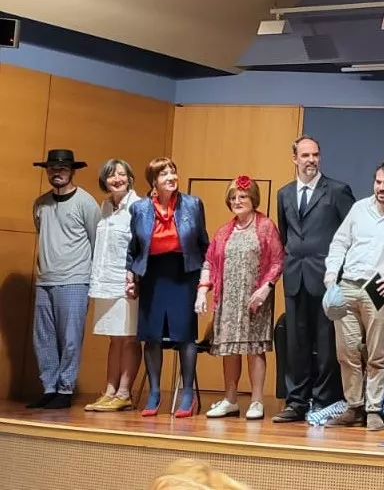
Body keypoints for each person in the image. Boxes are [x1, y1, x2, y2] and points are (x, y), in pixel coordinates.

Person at [323, 161, 384, 430]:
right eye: (378, 182)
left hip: (380, 287)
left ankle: (374, 408)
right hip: (348, 285)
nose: (381, 188)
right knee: (346, 351)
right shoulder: (359, 208)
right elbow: (340, 243)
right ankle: (354, 406)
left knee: (376, 353)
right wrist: (331, 278)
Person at [273, 136, 355, 423]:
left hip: (327, 279)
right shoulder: (284, 194)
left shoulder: (337, 190)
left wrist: (340, 274)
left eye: (315, 155)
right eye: (305, 155)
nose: (311, 160)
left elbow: (351, 235)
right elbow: (286, 236)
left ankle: (323, 400)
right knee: (296, 342)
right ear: (294, 158)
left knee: (326, 342)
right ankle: (296, 401)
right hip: (295, 275)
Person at [126, 157, 210, 418]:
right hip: (152, 274)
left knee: (185, 334)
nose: (171, 177)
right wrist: (131, 277)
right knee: (151, 335)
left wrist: (205, 282)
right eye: (164, 174)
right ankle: (154, 392)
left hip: (184, 272)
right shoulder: (139, 209)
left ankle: (186, 394)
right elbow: (133, 250)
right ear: (154, 181)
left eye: (173, 172)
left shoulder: (193, 204)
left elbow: (203, 244)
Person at [198, 176, 284, 421]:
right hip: (228, 300)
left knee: (254, 349)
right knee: (230, 350)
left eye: (243, 197)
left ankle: (256, 401)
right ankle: (231, 399)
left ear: (253, 199)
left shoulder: (265, 226)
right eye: (233, 198)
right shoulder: (224, 231)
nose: (238, 201)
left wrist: (266, 288)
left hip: (255, 298)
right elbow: (210, 261)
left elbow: (278, 260)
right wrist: (202, 290)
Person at [28, 149, 101, 410]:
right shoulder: (40, 204)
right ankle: (49, 387)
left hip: (75, 279)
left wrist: (92, 281)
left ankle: (65, 388)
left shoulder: (86, 202)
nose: (56, 172)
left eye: (62, 168)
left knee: (70, 338)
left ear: (72, 171)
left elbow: (97, 241)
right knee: (43, 337)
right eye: (51, 169)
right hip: (45, 280)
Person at [85, 158, 141, 413]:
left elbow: (142, 246)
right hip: (104, 281)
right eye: (111, 175)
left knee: (128, 338)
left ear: (129, 178)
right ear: (104, 181)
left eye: (121, 174)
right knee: (114, 339)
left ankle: (124, 392)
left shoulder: (138, 206)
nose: (117, 179)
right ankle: (109, 391)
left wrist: (135, 278)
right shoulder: (105, 206)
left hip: (127, 282)